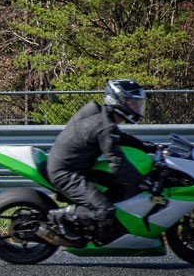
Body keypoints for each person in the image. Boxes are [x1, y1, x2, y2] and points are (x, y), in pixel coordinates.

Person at [46, 79, 160, 242]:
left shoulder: (103, 118)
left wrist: (147, 147)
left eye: (138, 103)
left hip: (77, 166)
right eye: (133, 103)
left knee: (119, 190)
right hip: (66, 173)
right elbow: (117, 164)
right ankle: (62, 215)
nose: (137, 107)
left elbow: (120, 137)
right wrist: (144, 183)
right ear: (119, 101)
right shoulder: (104, 127)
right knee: (105, 211)